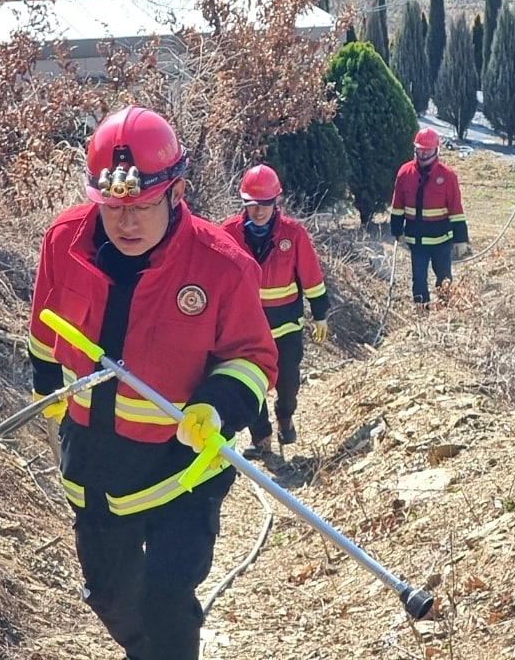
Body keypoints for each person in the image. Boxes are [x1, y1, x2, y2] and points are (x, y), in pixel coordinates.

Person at [28, 105, 277, 660]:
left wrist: (216, 408)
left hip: (182, 468)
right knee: (109, 595)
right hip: (95, 464)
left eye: (141, 206)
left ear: (176, 192)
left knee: (166, 599)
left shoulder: (222, 266)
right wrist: (47, 395)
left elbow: (254, 359)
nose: (127, 223)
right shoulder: (63, 243)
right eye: (114, 207)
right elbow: (44, 332)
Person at [220, 163, 330, 457]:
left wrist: (320, 314)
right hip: (246, 329)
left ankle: (285, 415)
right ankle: (261, 436)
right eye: (252, 204)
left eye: (265, 204)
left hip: (286, 327)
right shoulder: (228, 232)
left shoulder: (293, 234)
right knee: (250, 383)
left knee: (288, 382)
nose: (258, 211)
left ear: (275, 201)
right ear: (244, 202)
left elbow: (311, 276)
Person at [389, 126, 471, 304]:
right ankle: (421, 311)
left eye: (428, 150)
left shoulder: (447, 176)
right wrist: (397, 231)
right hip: (416, 241)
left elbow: (456, 210)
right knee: (418, 279)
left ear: (436, 150)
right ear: (415, 149)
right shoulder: (405, 173)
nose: (424, 154)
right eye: (421, 150)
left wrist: (461, 239)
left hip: (441, 241)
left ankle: (446, 309)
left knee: (444, 278)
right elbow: (398, 205)